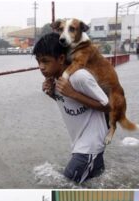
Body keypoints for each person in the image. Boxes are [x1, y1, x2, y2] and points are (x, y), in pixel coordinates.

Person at [33, 32, 111, 184]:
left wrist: (73, 93)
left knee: (66, 187)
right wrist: (53, 95)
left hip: (89, 147)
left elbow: (108, 106)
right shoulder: (56, 81)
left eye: (45, 61)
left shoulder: (79, 76)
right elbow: (72, 106)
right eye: (38, 61)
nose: (41, 67)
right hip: (82, 146)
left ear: (61, 58)